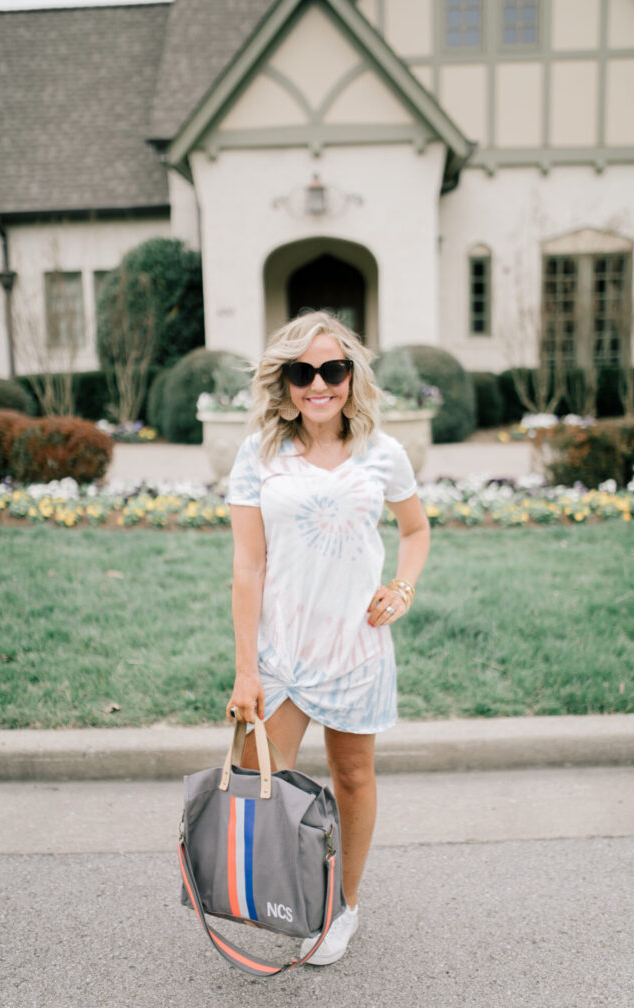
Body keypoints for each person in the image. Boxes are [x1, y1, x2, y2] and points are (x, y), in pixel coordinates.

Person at [226, 311, 430, 965]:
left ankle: (343, 905)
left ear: (351, 376)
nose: (319, 384)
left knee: (352, 776)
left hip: (354, 649)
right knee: (259, 778)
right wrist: (246, 670)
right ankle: (289, 892)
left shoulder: (382, 452)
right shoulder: (258, 455)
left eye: (333, 369)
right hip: (282, 653)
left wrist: (401, 588)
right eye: (302, 371)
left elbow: (416, 529)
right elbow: (247, 567)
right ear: (283, 381)